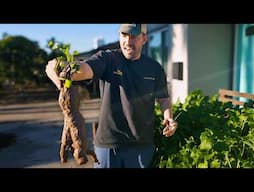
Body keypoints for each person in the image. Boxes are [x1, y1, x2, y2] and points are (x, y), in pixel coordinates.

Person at [45, 24, 177, 168]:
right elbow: (85, 69)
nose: (128, 41)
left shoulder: (154, 68)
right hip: (108, 144)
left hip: (142, 145)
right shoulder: (108, 59)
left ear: (144, 39)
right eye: (124, 35)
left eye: (133, 36)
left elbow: (163, 98)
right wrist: (61, 67)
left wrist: (168, 116)